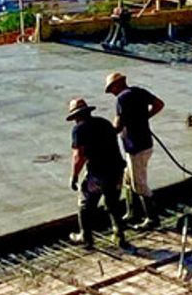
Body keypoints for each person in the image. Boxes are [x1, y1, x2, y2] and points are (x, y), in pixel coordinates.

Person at [66, 95, 130, 249]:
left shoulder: (78, 130)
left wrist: (74, 176)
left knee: (85, 204)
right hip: (116, 171)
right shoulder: (104, 123)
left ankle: (86, 237)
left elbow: (79, 156)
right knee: (113, 203)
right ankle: (119, 235)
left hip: (98, 174)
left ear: (76, 116)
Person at [104, 67, 164, 224]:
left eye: (111, 89)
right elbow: (159, 104)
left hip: (135, 147)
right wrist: (144, 118)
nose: (112, 92)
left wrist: (104, 135)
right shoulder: (139, 92)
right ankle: (132, 213)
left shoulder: (122, 99)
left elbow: (117, 125)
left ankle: (152, 218)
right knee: (128, 179)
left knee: (139, 184)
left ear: (118, 84)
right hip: (145, 143)